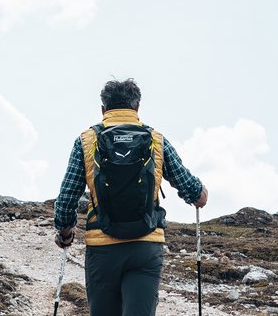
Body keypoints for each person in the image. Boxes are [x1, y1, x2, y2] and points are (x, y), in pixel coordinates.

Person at [54, 79, 208, 316]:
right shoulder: (156, 140)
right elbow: (192, 190)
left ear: (103, 109)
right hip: (145, 247)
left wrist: (65, 232)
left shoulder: (86, 141)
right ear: (137, 108)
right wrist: (200, 194)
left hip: (102, 248)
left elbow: (66, 198)